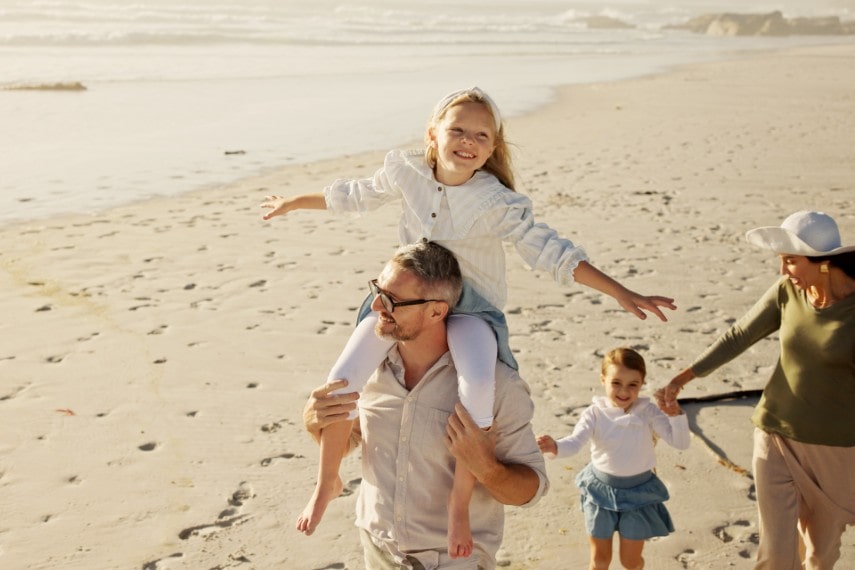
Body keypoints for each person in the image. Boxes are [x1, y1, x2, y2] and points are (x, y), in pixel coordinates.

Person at [262, 87, 676, 552]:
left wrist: (620, 290)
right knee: (340, 381)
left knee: (478, 390)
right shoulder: (407, 172)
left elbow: (550, 250)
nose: (468, 140)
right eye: (457, 129)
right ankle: (326, 484)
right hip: (404, 301)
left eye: (481, 135)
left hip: (471, 308)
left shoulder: (494, 200)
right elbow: (356, 195)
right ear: (432, 135)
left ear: (493, 147)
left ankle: (458, 507)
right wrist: (293, 202)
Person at [303, 240, 548, 569]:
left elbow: (531, 490)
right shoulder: (369, 370)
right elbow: (352, 440)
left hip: (453, 559)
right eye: (378, 289)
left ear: (436, 311)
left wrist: (486, 468)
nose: (376, 305)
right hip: (379, 549)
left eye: (393, 300)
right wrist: (313, 423)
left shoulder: (497, 386)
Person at [656, 210, 855, 569]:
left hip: (836, 451)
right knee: (776, 556)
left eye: (790, 261)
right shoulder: (787, 292)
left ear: (823, 263)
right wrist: (682, 379)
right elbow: (739, 336)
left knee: (821, 556)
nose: (783, 271)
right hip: (776, 434)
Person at [537, 347, 689, 570]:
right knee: (600, 561)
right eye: (616, 382)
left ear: (642, 383)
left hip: (639, 495)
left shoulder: (648, 412)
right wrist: (554, 446)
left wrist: (676, 416)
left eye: (632, 385)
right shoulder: (594, 413)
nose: (624, 391)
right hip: (600, 493)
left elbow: (681, 443)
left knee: (630, 561)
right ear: (603, 380)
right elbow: (575, 443)